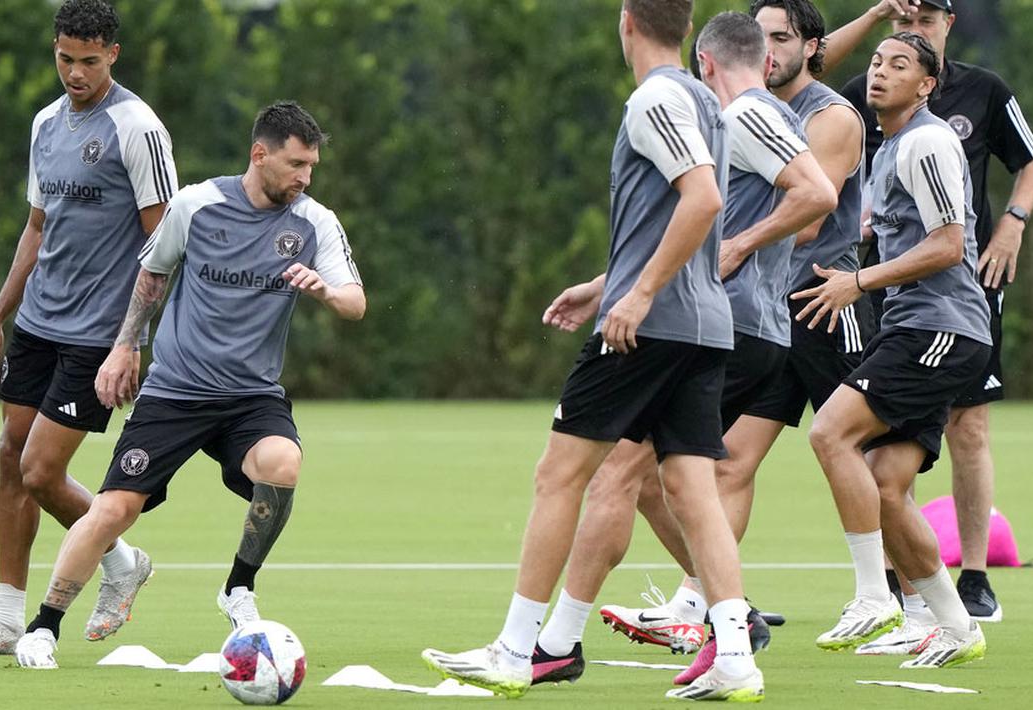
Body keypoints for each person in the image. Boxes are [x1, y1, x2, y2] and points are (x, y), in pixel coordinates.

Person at [423, 2, 767, 702]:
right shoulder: (704, 100)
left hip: (652, 327)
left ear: (626, 21)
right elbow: (682, 216)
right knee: (692, 491)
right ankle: (734, 655)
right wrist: (605, 284)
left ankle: (516, 650)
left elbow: (699, 202)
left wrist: (635, 298)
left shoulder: (656, 98)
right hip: (704, 326)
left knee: (559, 476)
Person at [539, 9, 836, 689]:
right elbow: (693, 223)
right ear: (761, 58)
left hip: (731, 326)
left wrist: (737, 244)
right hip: (734, 326)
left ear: (705, 62)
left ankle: (560, 640)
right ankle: (726, 623)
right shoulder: (726, 118)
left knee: (615, 473)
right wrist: (602, 284)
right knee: (664, 481)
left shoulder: (746, 114)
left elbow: (814, 197)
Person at [13, 101, 365, 669]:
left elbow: (356, 302)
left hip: (250, 398)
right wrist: (126, 345)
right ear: (260, 155)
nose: (305, 177)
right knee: (111, 511)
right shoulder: (197, 205)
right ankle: (43, 627)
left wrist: (323, 290)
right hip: (174, 391)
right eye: (297, 164)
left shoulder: (314, 221)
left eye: (312, 167)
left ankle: (239, 589)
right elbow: (153, 273)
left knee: (283, 463)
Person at [0, 0, 177, 655]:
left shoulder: (138, 127)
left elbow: (163, 243)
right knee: (7, 459)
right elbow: (36, 228)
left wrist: (130, 340)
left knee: (41, 470)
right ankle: (5, 619)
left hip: (96, 334)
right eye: (64, 58)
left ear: (112, 54)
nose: (74, 72)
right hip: (39, 324)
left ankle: (119, 560)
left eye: (88, 60)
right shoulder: (45, 123)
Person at [829, 0, 1033, 623]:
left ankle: (960, 581)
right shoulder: (870, 99)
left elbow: (1031, 164)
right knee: (887, 464)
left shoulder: (965, 104)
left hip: (949, 300)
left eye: (924, 19)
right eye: (898, 22)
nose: (910, 28)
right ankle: (927, 610)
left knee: (960, 430)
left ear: (947, 26)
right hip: (896, 298)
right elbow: (803, 74)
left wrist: (1011, 223)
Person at [795, 31, 989, 669]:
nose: (879, 72)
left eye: (899, 65)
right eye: (877, 62)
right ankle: (956, 628)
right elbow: (895, 229)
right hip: (921, 327)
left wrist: (859, 279)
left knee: (829, 434)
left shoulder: (929, 139)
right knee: (886, 483)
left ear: (927, 85)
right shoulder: (892, 147)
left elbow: (948, 244)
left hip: (939, 329)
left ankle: (875, 597)